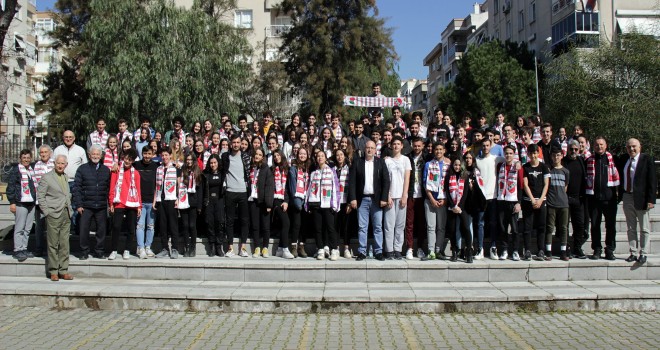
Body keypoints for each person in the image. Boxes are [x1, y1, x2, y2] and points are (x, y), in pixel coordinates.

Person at [349, 141, 389, 261]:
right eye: (368, 148)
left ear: (375, 150)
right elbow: (352, 182)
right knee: (362, 227)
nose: (370, 150)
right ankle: (362, 251)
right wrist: (353, 198)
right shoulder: (358, 162)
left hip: (377, 200)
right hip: (362, 200)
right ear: (364, 149)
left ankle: (378, 251)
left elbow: (386, 181)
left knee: (377, 227)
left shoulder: (380, 162)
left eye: (372, 148)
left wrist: (384, 198)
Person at [37, 155, 74, 281]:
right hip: (53, 214)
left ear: (66, 165)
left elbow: (66, 194)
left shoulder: (65, 177)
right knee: (53, 244)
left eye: (62, 163)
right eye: (58, 163)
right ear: (54, 163)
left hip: (66, 213)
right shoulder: (46, 178)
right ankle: (53, 271)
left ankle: (63, 270)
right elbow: (40, 196)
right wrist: (47, 212)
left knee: (64, 243)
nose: (60, 165)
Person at [620, 138, 656, 264]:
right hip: (627, 196)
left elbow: (652, 181)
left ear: (640, 147)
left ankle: (643, 253)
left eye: (634, 146)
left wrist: (651, 200)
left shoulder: (646, 159)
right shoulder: (624, 159)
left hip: (642, 198)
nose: (631, 149)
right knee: (631, 227)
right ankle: (633, 252)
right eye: (629, 147)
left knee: (644, 228)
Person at [73, 144, 111, 260]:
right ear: (89, 155)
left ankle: (99, 250)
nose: (95, 156)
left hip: (101, 205)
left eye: (97, 154)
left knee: (101, 230)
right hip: (86, 205)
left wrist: (109, 204)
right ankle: (84, 251)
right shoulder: (82, 169)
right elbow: (77, 188)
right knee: (84, 229)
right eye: (93, 154)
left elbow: (109, 188)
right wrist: (78, 204)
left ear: (101, 156)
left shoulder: (105, 170)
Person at [586, 137, 620, 260]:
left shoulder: (612, 159)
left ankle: (610, 249)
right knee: (595, 225)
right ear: (593, 146)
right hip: (594, 198)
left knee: (610, 225)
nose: (599, 147)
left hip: (609, 198)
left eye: (601, 144)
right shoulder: (589, 160)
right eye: (596, 145)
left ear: (605, 146)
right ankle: (597, 249)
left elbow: (618, 177)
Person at [306, 150, 341, 260]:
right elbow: (309, 189)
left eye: (322, 156)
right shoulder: (313, 173)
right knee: (318, 228)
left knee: (330, 228)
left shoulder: (331, 171)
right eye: (318, 156)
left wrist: (335, 204)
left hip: (328, 204)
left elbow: (336, 188)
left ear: (326, 158)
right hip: (316, 204)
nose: (320, 158)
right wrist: (307, 204)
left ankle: (334, 250)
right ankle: (320, 249)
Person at [108, 149, 142, 260]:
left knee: (131, 228)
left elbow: (138, 190)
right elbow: (112, 186)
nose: (127, 161)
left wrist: (139, 206)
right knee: (116, 226)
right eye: (126, 158)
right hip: (119, 202)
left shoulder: (136, 173)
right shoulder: (116, 170)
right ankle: (113, 249)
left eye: (130, 159)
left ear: (133, 161)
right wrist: (111, 202)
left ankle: (127, 249)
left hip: (132, 203)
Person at [221, 135, 252, 257]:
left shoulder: (246, 156)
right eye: (234, 142)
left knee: (244, 220)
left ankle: (243, 248)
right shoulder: (225, 156)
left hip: (243, 191)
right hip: (230, 191)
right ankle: (230, 248)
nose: (236, 144)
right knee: (229, 221)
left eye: (238, 142)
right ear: (230, 144)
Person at [53, 130, 88, 235]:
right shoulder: (57, 150)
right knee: (63, 207)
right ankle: (65, 229)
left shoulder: (80, 150)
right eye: (66, 137)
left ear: (74, 138)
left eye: (70, 137)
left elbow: (84, 165)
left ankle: (76, 229)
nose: (68, 139)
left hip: (76, 182)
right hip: (61, 181)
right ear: (63, 138)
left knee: (77, 206)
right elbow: (52, 165)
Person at [476, 139, 505, 260]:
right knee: (480, 224)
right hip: (481, 197)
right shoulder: (477, 160)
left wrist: (517, 163)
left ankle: (493, 248)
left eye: (487, 145)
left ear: (490, 146)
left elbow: (510, 159)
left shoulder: (495, 158)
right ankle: (480, 249)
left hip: (493, 197)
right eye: (483, 145)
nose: (485, 147)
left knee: (493, 223)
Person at [383, 136, 411, 259]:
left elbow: (407, 179)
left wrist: (404, 195)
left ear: (401, 146)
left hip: (401, 196)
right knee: (389, 225)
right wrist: (387, 195)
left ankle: (398, 249)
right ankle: (389, 250)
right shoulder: (387, 161)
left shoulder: (406, 160)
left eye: (398, 144)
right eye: (394, 144)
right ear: (391, 146)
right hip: (390, 196)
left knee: (400, 225)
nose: (396, 146)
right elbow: (385, 180)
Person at [522, 144, 551, 261]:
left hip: (541, 201)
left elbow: (546, 184)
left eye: (535, 153)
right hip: (529, 201)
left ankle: (541, 250)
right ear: (528, 154)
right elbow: (525, 184)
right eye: (531, 153)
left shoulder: (544, 167)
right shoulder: (525, 167)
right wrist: (533, 199)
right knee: (527, 227)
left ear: (538, 154)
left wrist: (540, 199)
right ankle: (527, 250)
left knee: (541, 227)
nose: (533, 155)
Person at [7, 149, 37, 262]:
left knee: (28, 228)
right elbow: (10, 187)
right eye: (24, 158)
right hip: (20, 202)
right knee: (20, 227)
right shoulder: (16, 170)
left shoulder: (31, 170)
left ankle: (24, 248)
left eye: (28, 158)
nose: (26, 160)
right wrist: (12, 202)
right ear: (20, 158)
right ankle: (17, 249)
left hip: (31, 202)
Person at [496, 145, 524, 261]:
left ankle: (516, 250)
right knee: (502, 227)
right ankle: (504, 250)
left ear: (514, 154)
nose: (508, 155)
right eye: (506, 153)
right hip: (502, 200)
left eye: (510, 153)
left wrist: (519, 202)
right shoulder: (500, 166)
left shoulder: (518, 167)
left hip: (513, 201)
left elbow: (521, 186)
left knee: (514, 228)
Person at [153, 147, 182, 259]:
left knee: (173, 225)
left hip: (172, 199)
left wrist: (178, 198)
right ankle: (164, 248)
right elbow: (157, 186)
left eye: (166, 155)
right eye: (163, 155)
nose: (164, 157)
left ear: (170, 155)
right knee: (162, 226)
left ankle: (174, 248)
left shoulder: (176, 168)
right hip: (161, 200)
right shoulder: (159, 168)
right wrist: (155, 200)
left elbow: (179, 185)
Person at [423, 142, 450, 260]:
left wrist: (444, 199)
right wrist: (432, 199)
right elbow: (425, 183)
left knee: (441, 227)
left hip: (443, 200)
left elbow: (450, 184)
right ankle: (431, 251)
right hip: (430, 200)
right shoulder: (428, 164)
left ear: (444, 150)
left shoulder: (449, 165)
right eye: (436, 149)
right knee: (431, 226)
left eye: (440, 149)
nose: (438, 151)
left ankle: (439, 250)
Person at [444, 156, 474, 263]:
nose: (457, 167)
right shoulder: (448, 176)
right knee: (452, 230)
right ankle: (455, 251)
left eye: (459, 165)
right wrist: (453, 206)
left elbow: (465, 193)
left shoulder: (465, 176)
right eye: (455, 165)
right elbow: (447, 192)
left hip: (462, 207)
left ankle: (469, 251)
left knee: (466, 228)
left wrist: (459, 206)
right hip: (452, 207)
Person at [562, 140, 588, 259]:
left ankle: (577, 247)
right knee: (565, 225)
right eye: (571, 149)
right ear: (567, 149)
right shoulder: (563, 161)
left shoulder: (582, 161)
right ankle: (566, 247)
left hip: (579, 198)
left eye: (575, 149)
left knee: (579, 225)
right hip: (566, 198)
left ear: (579, 150)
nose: (573, 151)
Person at [178, 153, 207, 257]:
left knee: (192, 225)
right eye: (187, 160)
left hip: (194, 201)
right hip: (183, 200)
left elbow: (200, 190)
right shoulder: (182, 171)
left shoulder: (198, 172)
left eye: (191, 160)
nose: (189, 161)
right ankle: (186, 246)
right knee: (185, 225)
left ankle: (193, 247)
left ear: (194, 161)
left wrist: (199, 206)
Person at [247, 148, 274, 258]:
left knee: (265, 226)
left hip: (263, 201)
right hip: (253, 200)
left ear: (263, 157)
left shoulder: (266, 169)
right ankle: (257, 247)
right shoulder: (251, 168)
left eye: (260, 154)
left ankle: (265, 248)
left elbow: (269, 187)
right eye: (256, 154)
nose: (257, 156)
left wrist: (268, 204)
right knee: (255, 225)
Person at [545, 147, 571, 261]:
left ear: (562, 156)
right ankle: (548, 251)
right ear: (551, 157)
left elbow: (565, 187)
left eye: (558, 155)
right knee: (550, 227)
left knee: (564, 227)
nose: (556, 157)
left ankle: (563, 251)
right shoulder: (548, 169)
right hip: (551, 202)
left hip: (563, 203)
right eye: (554, 155)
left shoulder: (566, 171)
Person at [134, 145, 159, 258]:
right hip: (140, 201)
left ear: (152, 154)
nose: (147, 156)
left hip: (151, 201)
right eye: (145, 153)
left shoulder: (156, 166)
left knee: (150, 226)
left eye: (149, 154)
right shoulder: (136, 165)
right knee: (140, 226)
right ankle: (140, 247)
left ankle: (148, 247)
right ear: (142, 154)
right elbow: (125, 165)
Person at [404, 137, 427, 260]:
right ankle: (409, 248)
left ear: (423, 146)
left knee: (421, 223)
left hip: (423, 195)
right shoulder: (407, 158)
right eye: (415, 145)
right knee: (409, 223)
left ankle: (420, 248)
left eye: (419, 146)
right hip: (411, 194)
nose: (417, 148)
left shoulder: (427, 158)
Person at [288, 147, 311, 258]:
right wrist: (297, 200)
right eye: (300, 154)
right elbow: (292, 186)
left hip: (307, 198)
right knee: (296, 224)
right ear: (297, 155)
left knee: (305, 224)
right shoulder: (293, 168)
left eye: (304, 154)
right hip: (297, 198)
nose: (302, 156)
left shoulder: (309, 168)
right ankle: (293, 246)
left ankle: (302, 246)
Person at [32, 144, 55, 257]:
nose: (44, 154)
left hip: (53, 200)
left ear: (50, 153)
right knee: (39, 226)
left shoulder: (54, 164)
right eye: (41, 152)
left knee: (52, 227)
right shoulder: (36, 166)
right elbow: (36, 184)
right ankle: (39, 248)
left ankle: (52, 250)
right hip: (41, 201)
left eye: (46, 152)